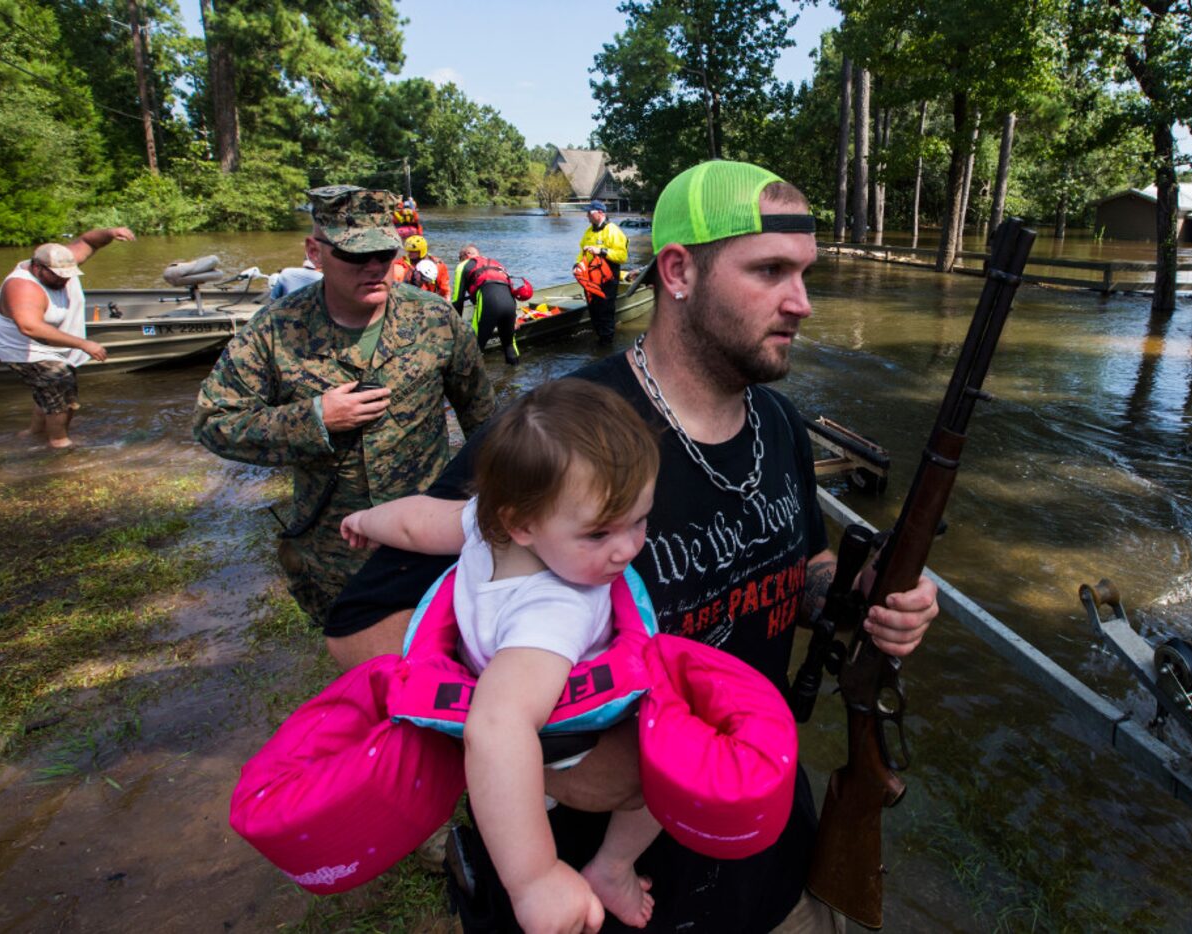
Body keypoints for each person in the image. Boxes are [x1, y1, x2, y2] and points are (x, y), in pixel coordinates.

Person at [326, 161, 938, 932]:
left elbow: (796, 575)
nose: (802, 303)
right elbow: (360, 631)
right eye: (771, 271)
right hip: (600, 883)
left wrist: (875, 593)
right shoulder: (565, 431)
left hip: (766, 849)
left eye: (805, 274)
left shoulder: (779, 424)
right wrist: (560, 753)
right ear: (680, 271)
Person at [341, 379, 663, 930]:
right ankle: (613, 865)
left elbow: (417, 521)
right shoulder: (557, 609)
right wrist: (534, 880)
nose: (628, 548)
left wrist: (366, 521)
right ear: (524, 523)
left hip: (503, 685)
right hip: (566, 740)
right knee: (670, 778)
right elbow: (496, 726)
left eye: (640, 520)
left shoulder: (488, 528)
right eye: (600, 533)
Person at [193, 185, 496, 626]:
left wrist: (493, 506)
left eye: (384, 253)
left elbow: (482, 419)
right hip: (334, 548)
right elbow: (212, 421)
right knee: (353, 664)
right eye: (356, 256)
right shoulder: (277, 330)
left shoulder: (435, 319)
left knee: (436, 655)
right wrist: (314, 419)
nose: (376, 268)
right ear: (315, 253)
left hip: (429, 535)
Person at [0, 228, 136, 448]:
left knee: (46, 390)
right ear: (37, 267)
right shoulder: (22, 286)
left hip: (53, 347)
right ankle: (59, 444)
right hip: (26, 350)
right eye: (57, 276)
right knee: (59, 382)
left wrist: (111, 233)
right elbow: (29, 327)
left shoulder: (61, 261)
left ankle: (33, 435)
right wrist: (84, 344)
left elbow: (88, 242)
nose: (64, 280)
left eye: (67, 275)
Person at [451, 244, 520, 365]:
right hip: (510, 304)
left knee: (474, 347)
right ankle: (515, 378)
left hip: (489, 303)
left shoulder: (463, 265)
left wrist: (455, 327)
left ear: (465, 255)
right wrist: (515, 317)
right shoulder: (496, 264)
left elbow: (458, 299)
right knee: (509, 345)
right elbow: (511, 288)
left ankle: (470, 381)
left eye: (459, 258)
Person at [574, 199, 628, 345]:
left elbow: (622, 256)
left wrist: (601, 251)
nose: (587, 216)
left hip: (607, 278)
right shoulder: (589, 231)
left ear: (600, 213)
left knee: (605, 310)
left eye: (589, 213)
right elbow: (582, 252)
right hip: (590, 278)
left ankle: (607, 342)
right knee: (594, 309)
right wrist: (578, 265)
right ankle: (600, 337)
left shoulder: (613, 231)